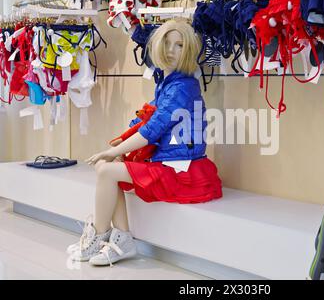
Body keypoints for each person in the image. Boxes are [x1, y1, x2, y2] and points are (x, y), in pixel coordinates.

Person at [67, 18, 223, 266]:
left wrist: (112, 150)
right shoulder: (169, 83)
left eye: (179, 45)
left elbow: (152, 129)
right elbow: (148, 120)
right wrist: (118, 145)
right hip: (169, 163)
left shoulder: (183, 87)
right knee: (108, 167)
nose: (171, 50)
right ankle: (120, 239)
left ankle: (99, 236)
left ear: (189, 50)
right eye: (167, 43)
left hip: (181, 170)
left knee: (107, 170)